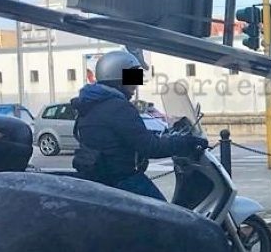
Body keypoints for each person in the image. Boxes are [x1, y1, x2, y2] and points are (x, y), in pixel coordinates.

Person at [71, 50, 206, 201]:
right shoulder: (118, 107)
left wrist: (162, 134)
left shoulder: (91, 104)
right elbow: (150, 147)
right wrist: (187, 142)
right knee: (164, 212)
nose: (135, 85)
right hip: (121, 179)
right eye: (132, 77)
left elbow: (128, 135)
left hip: (102, 176)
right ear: (118, 77)